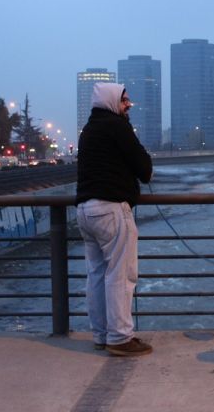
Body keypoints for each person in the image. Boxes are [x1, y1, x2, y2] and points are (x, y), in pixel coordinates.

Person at [76, 82, 153, 356]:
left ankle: (101, 334)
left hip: (85, 211)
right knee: (121, 274)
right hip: (111, 209)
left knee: (97, 275)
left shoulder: (88, 130)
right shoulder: (117, 126)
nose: (128, 105)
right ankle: (120, 338)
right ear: (111, 102)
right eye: (124, 100)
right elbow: (144, 169)